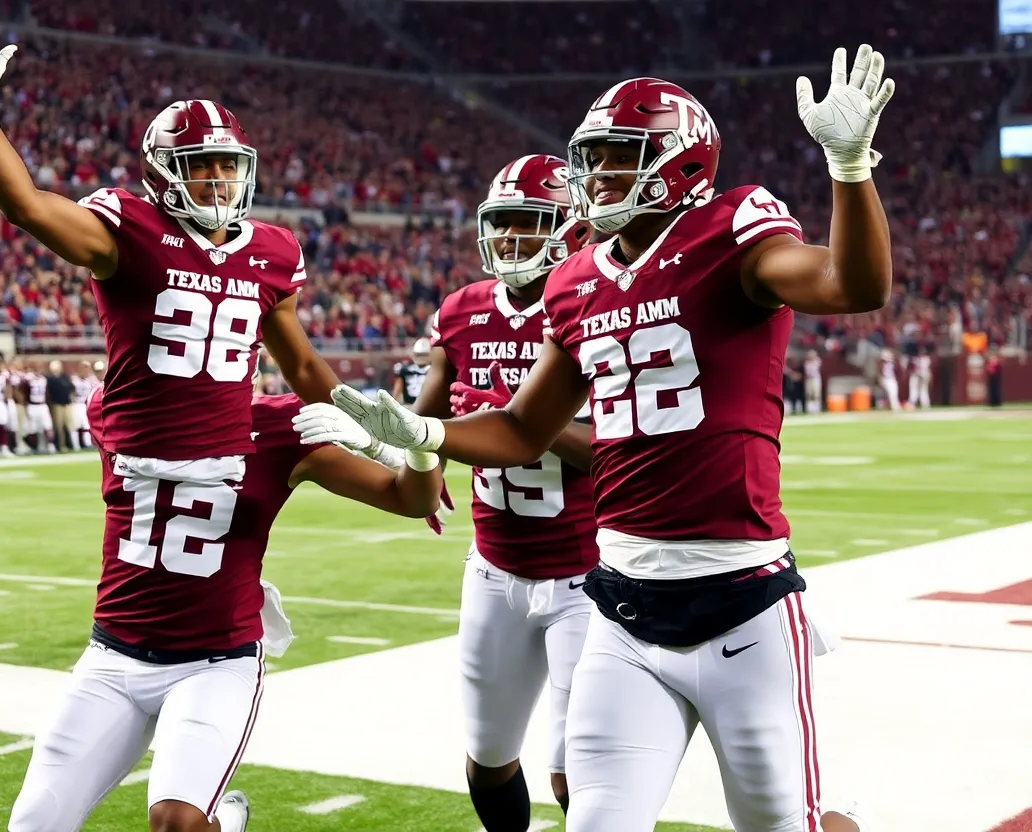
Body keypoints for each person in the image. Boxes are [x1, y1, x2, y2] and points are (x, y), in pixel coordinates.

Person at [328, 47, 896, 832]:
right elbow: (527, 426)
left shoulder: (731, 228)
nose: (594, 179)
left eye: (616, 159)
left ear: (679, 161)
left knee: (781, 825)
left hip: (741, 599)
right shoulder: (576, 279)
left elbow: (853, 286)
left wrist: (850, 165)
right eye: (588, 161)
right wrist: (428, 430)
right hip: (621, 603)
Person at [0, 12, 343, 831]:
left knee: (176, 819)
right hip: (144, 481)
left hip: (221, 462)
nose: (218, 184)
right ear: (162, 174)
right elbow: (27, 206)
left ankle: (213, 812)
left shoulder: (271, 252)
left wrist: (356, 416)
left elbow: (296, 359)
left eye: (228, 166)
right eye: (201, 167)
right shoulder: (130, 231)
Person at [8, 384, 442, 832]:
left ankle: (225, 821)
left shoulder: (279, 424)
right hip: (111, 656)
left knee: (177, 823)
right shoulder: (114, 404)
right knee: (34, 823)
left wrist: (412, 449)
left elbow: (413, 499)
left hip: (213, 663)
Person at [409, 154, 597, 828]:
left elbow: (618, 452)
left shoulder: (594, 303)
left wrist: (516, 421)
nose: (513, 240)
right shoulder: (460, 312)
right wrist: (422, 469)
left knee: (580, 772)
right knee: (487, 760)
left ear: (573, 229)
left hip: (587, 574)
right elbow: (423, 424)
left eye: (531, 223)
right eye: (505, 224)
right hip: (493, 568)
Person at [391, 338, 432, 406]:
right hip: (409, 405)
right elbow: (397, 391)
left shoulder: (434, 370)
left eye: (423, 355)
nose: (421, 358)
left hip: (428, 406)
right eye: (419, 355)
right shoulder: (404, 370)